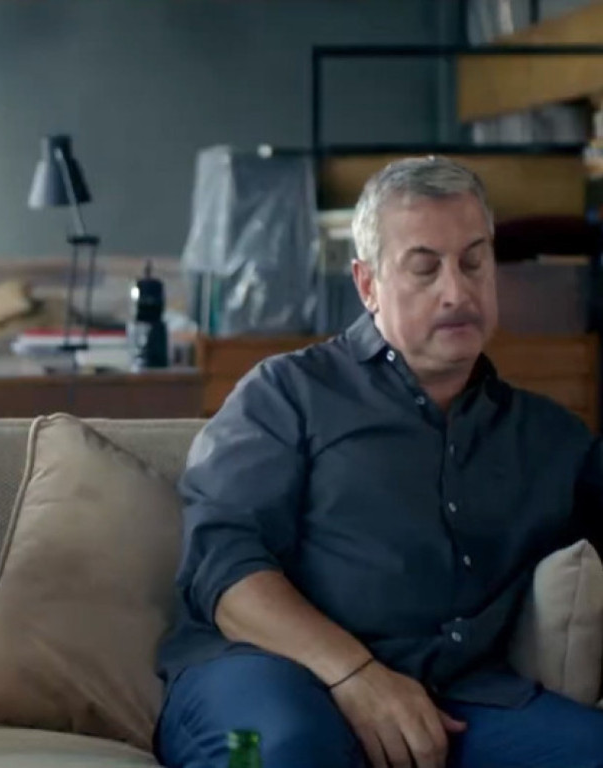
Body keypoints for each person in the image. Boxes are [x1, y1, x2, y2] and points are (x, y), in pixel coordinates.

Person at [154, 156, 603, 768]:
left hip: (459, 700)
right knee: (282, 750)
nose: (457, 291)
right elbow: (222, 568)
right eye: (425, 268)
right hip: (273, 676)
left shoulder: (549, 438)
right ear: (367, 285)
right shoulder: (288, 393)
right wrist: (356, 674)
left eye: (474, 262)